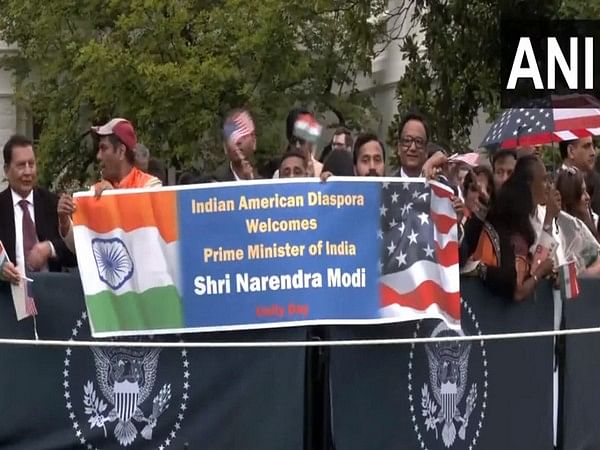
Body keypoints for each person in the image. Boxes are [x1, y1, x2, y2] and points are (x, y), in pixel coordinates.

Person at [57, 118, 162, 253]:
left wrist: (114, 199)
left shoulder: (151, 186)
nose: (98, 156)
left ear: (121, 151)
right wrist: (64, 221)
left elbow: (146, 239)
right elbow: (82, 248)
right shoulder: (97, 190)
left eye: (103, 148)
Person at [463, 155, 555, 301]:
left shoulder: (520, 219)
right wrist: (542, 271)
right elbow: (519, 291)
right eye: (544, 180)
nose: (549, 186)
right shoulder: (512, 226)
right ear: (529, 183)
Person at [0, 135, 76, 285]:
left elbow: (74, 254)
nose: (28, 172)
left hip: (50, 294)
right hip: (8, 296)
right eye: (21, 165)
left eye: (32, 164)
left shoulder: (53, 203)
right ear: (7, 171)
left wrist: (50, 248)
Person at [559, 136, 600, 217]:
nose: (593, 153)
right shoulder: (552, 185)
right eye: (586, 146)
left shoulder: (596, 181)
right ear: (571, 151)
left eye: (593, 146)